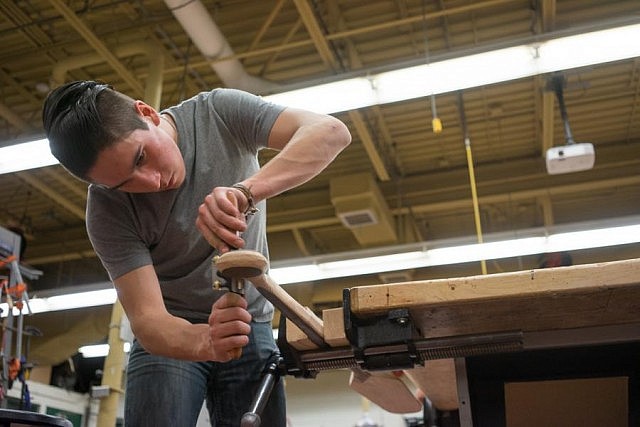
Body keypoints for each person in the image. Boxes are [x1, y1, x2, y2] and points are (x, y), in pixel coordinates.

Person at [42, 81, 351, 426]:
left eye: (141, 157)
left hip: (249, 321)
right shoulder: (106, 209)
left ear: (147, 113)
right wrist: (206, 341)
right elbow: (149, 320)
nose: (151, 181)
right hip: (173, 333)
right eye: (124, 183)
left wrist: (246, 192)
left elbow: (330, 132)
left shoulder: (219, 113)